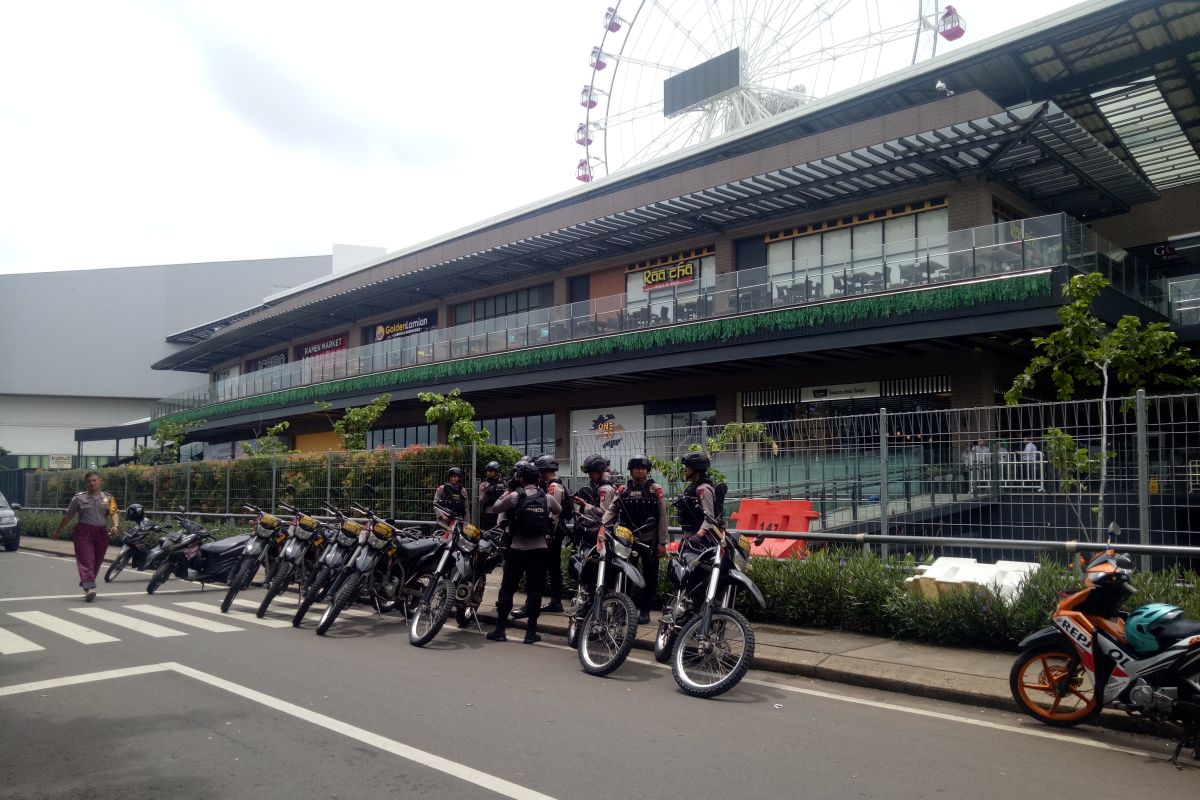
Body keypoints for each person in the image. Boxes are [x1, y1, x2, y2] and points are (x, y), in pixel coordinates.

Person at [486, 462, 561, 643]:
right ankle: (530, 633)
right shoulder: (546, 497)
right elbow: (558, 510)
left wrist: (510, 490)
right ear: (538, 479)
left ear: (520, 478)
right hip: (540, 550)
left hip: (517, 549)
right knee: (535, 591)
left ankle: (500, 630)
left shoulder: (513, 496)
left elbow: (495, 508)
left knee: (507, 589)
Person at [602, 455, 667, 625]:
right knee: (625, 576)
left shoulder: (655, 489)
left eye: (644, 468)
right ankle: (623, 611)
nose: (641, 471)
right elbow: (612, 509)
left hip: (650, 540)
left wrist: (662, 543)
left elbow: (662, 516)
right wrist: (602, 526)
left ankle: (645, 611)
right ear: (631, 470)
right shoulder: (623, 490)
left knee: (650, 577)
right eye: (637, 468)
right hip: (627, 540)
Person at [514, 455, 569, 618]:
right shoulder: (555, 485)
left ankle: (531, 606)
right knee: (553, 569)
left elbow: (553, 515)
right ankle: (555, 602)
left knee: (539, 571)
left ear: (544, 470)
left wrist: (546, 534)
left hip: (550, 535)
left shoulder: (553, 487)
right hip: (554, 534)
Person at [53, 470, 120, 602]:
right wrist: (58, 530)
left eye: (94, 480)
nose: (92, 483)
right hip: (83, 532)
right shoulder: (79, 498)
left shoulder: (108, 498)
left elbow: (114, 512)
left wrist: (115, 526)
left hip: (101, 532)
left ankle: (86, 582)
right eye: (89, 481)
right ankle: (89, 589)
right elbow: (68, 515)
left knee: (97, 561)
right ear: (85, 483)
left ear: (100, 481)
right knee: (87, 560)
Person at [675, 452, 721, 544]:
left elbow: (709, 517)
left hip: (703, 539)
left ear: (696, 468)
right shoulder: (693, 487)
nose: (685, 470)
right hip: (691, 535)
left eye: (687, 467)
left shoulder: (703, 489)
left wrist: (698, 535)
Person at [573, 454, 615, 534]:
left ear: (600, 472)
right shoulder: (596, 486)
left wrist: (585, 505)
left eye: (591, 473)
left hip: (604, 532)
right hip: (596, 529)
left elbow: (604, 513)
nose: (589, 476)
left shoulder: (605, 489)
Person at [477, 461, 505, 530]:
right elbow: (481, 500)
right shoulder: (485, 484)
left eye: (491, 471)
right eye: (488, 471)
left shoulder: (503, 482)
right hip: (489, 511)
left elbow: (505, 495)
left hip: (500, 512)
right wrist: (486, 492)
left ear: (496, 471)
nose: (488, 473)